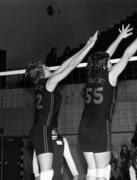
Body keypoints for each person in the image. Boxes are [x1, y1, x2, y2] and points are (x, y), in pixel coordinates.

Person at [78, 24, 137, 180]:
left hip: (83, 127)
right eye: (108, 61)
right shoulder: (110, 76)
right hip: (100, 128)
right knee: (103, 173)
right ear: (105, 66)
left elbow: (105, 55)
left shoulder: (91, 77)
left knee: (91, 172)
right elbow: (127, 55)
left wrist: (120, 37)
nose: (110, 60)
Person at [25, 32, 98, 180]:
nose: (48, 67)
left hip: (42, 129)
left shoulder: (44, 83)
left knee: (47, 173)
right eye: (45, 67)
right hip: (43, 130)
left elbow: (65, 64)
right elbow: (70, 67)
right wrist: (89, 47)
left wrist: (87, 45)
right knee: (46, 174)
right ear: (42, 73)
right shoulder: (49, 83)